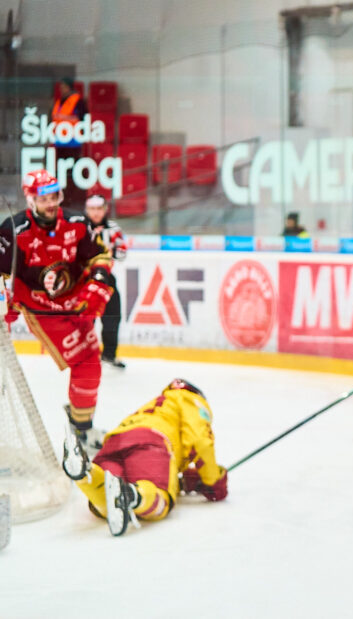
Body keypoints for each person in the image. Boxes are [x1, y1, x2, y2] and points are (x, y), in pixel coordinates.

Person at [0, 169, 113, 450]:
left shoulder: (77, 223)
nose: (51, 204)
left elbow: (100, 256)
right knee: (85, 361)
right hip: (41, 308)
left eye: (54, 197)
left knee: (90, 365)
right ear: (31, 200)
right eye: (43, 199)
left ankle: (82, 428)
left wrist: (98, 285)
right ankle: (81, 430)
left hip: (77, 305)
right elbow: (2, 274)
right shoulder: (13, 230)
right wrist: (5, 301)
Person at [61, 377, 228, 536]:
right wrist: (213, 481)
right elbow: (201, 442)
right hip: (151, 442)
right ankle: (132, 496)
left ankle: (86, 473)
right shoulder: (192, 400)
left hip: (115, 441)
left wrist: (187, 481)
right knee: (159, 497)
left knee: (105, 499)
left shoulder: (159, 403)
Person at [84, 193, 128, 368]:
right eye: (92, 209)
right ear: (87, 210)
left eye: (99, 209)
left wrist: (112, 252)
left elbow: (123, 253)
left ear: (105, 210)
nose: (95, 213)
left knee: (112, 316)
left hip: (107, 279)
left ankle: (109, 355)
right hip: (85, 280)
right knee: (86, 321)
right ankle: (85, 357)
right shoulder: (80, 228)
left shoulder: (113, 229)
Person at [51, 77, 89, 208]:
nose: (62, 89)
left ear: (69, 87)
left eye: (63, 87)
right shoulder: (59, 102)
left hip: (73, 144)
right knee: (61, 173)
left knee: (72, 174)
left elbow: (84, 120)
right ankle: (63, 199)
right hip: (59, 144)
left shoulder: (78, 101)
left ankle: (72, 199)